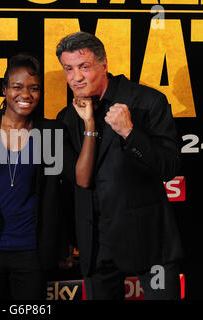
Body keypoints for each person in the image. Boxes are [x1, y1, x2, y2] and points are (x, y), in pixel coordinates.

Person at [55, 32, 183, 300]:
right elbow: (72, 185)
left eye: (84, 67)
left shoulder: (148, 102)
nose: (75, 77)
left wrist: (130, 133)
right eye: (69, 69)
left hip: (149, 241)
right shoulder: (67, 117)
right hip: (96, 245)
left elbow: (169, 167)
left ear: (104, 64)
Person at [0, 53, 74, 300]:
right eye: (17, 87)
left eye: (34, 88)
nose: (26, 95)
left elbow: (65, 193)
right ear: (5, 89)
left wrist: (66, 241)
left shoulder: (51, 132)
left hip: (32, 251)